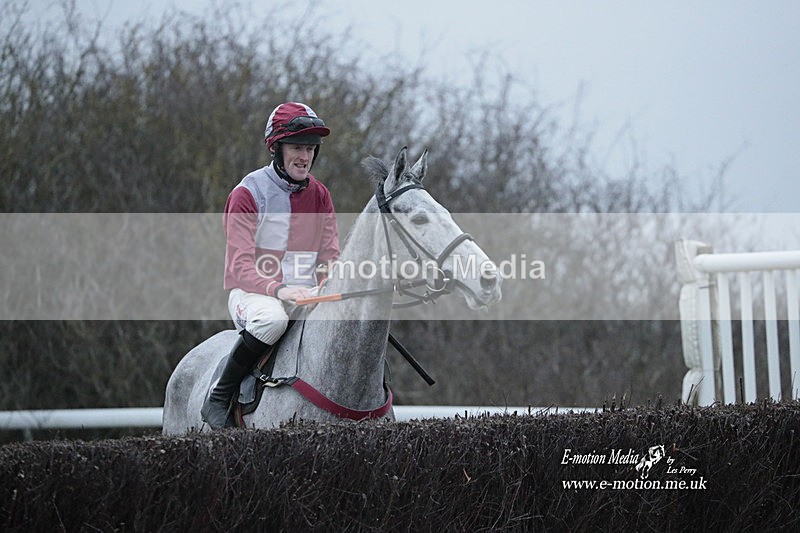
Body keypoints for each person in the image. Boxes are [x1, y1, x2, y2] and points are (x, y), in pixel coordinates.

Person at [201, 102, 340, 429]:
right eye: (297, 148)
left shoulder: (320, 195)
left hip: (306, 295)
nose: (304, 157)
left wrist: (327, 284)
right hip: (254, 296)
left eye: (310, 149)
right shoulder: (247, 193)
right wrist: (280, 290)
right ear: (276, 148)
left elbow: (330, 256)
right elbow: (240, 266)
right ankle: (220, 395)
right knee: (273, 319)